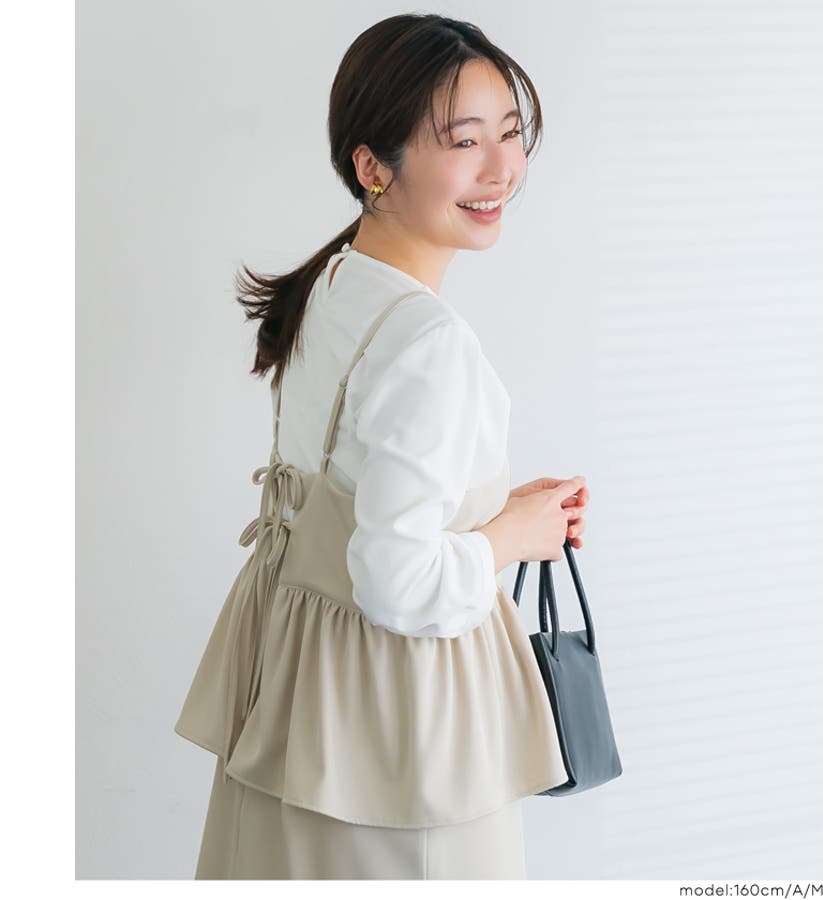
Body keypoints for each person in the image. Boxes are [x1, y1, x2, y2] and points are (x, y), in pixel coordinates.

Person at [174, 12, 590, 880]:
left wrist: (491, 510)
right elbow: (397, 581)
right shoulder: (430, 344)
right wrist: (511, 538)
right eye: (464, 141)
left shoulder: (334, 285)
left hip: (300, 707)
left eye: (510, 132)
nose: (502, 168)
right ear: (373, 168)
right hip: (397, 738)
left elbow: (360, 493)